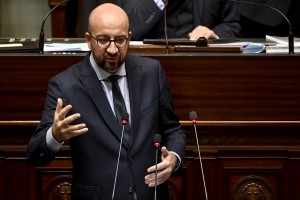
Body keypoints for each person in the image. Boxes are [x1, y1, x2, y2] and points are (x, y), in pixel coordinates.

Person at [27, 3, 186, 200]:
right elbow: (35, 155)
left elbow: (173, 130)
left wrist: (173, 158)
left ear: (129, 37)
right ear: (88, 39)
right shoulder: (65, 85)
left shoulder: (152, 72)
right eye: (103, 40)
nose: (112, 49)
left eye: (120, 40)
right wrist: (55, 135)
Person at [81, 0, 241, 40]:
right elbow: (131, 30)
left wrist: (213, 34)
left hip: (201, 61)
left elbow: (232, 24)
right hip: (150, 63)